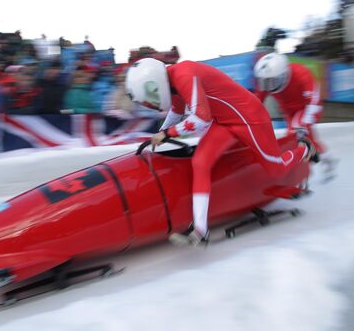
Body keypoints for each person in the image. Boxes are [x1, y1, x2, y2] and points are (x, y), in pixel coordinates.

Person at [126, 58, 317, 246]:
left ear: (156, 82)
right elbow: (177, 112)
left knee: (277, 169)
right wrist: (159, 134)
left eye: (151, 96)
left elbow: (201, 120)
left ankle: (304, 148)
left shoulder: (184, 75)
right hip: (224, 122)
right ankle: (201, 231)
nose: (153, 102)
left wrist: (167, 133)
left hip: (249, 117)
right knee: (200, 162)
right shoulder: (172, 83)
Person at [254, 52, 336, 180]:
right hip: (289, 112)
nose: (270, 86)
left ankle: (300, 171)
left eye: (273, 81)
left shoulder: (302, 74)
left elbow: (314, 103)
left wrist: (304, 125)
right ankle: (327, 157)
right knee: (303, 138)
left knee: (295, 134)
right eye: (266, 82)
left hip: (308, 108)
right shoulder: (269, 78)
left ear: (284, 74)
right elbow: (256, 102)